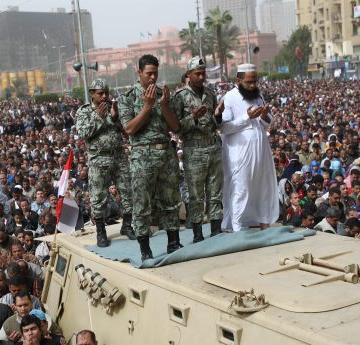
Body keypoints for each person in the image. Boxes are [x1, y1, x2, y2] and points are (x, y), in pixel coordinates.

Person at [118, 54, 181, 260]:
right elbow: (129, 129)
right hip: (142, 156)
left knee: (170, 200)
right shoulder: (127, 98)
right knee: (142, 205)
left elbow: (175, 126)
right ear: (139, 72)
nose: (153, 77)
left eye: (155, 73)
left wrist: (163, 105)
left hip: (165, 153)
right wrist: (147, 105)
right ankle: (145, 249)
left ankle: (174, 242)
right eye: (149, 74)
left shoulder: (164, 94)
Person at [76, 78, 136, 247]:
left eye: (106, 93)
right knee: (98, 196)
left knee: (127, 190)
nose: (104, 96)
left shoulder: (113, 107)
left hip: (118, 155)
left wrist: (116, 118)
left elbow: (125, 130)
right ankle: (101, 232)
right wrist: (99, 117)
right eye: (100, 93)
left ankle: (127, 225)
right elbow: (83, 133)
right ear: (92, 94)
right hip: (98, 158)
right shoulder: (84, 111)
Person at [221, 63, 279, 232]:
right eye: (248, 82)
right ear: (238, 80)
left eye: (255, 81)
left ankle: (264, 224)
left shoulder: (258, 96)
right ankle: (236, 228)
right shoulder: (229, 98)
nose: (253, 85)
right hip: (240, 152)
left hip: (260, 149)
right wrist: (246, 117)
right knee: (241, 188)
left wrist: (265, 116)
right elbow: (224, 128)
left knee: (263, 187)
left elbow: (266, 124)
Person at [172, 56, 224, 241]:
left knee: (215, 192)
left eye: (203, 73)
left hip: (212, 146)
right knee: (196, 196)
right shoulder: (180, 97)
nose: (202, 77)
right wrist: (192, 118)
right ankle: (198, 234)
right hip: (193, 151)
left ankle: (216, 230)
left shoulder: (210, 94)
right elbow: (175, 127)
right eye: (198, 74)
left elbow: (215, 123)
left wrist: (218, 116)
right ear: (189, 74)